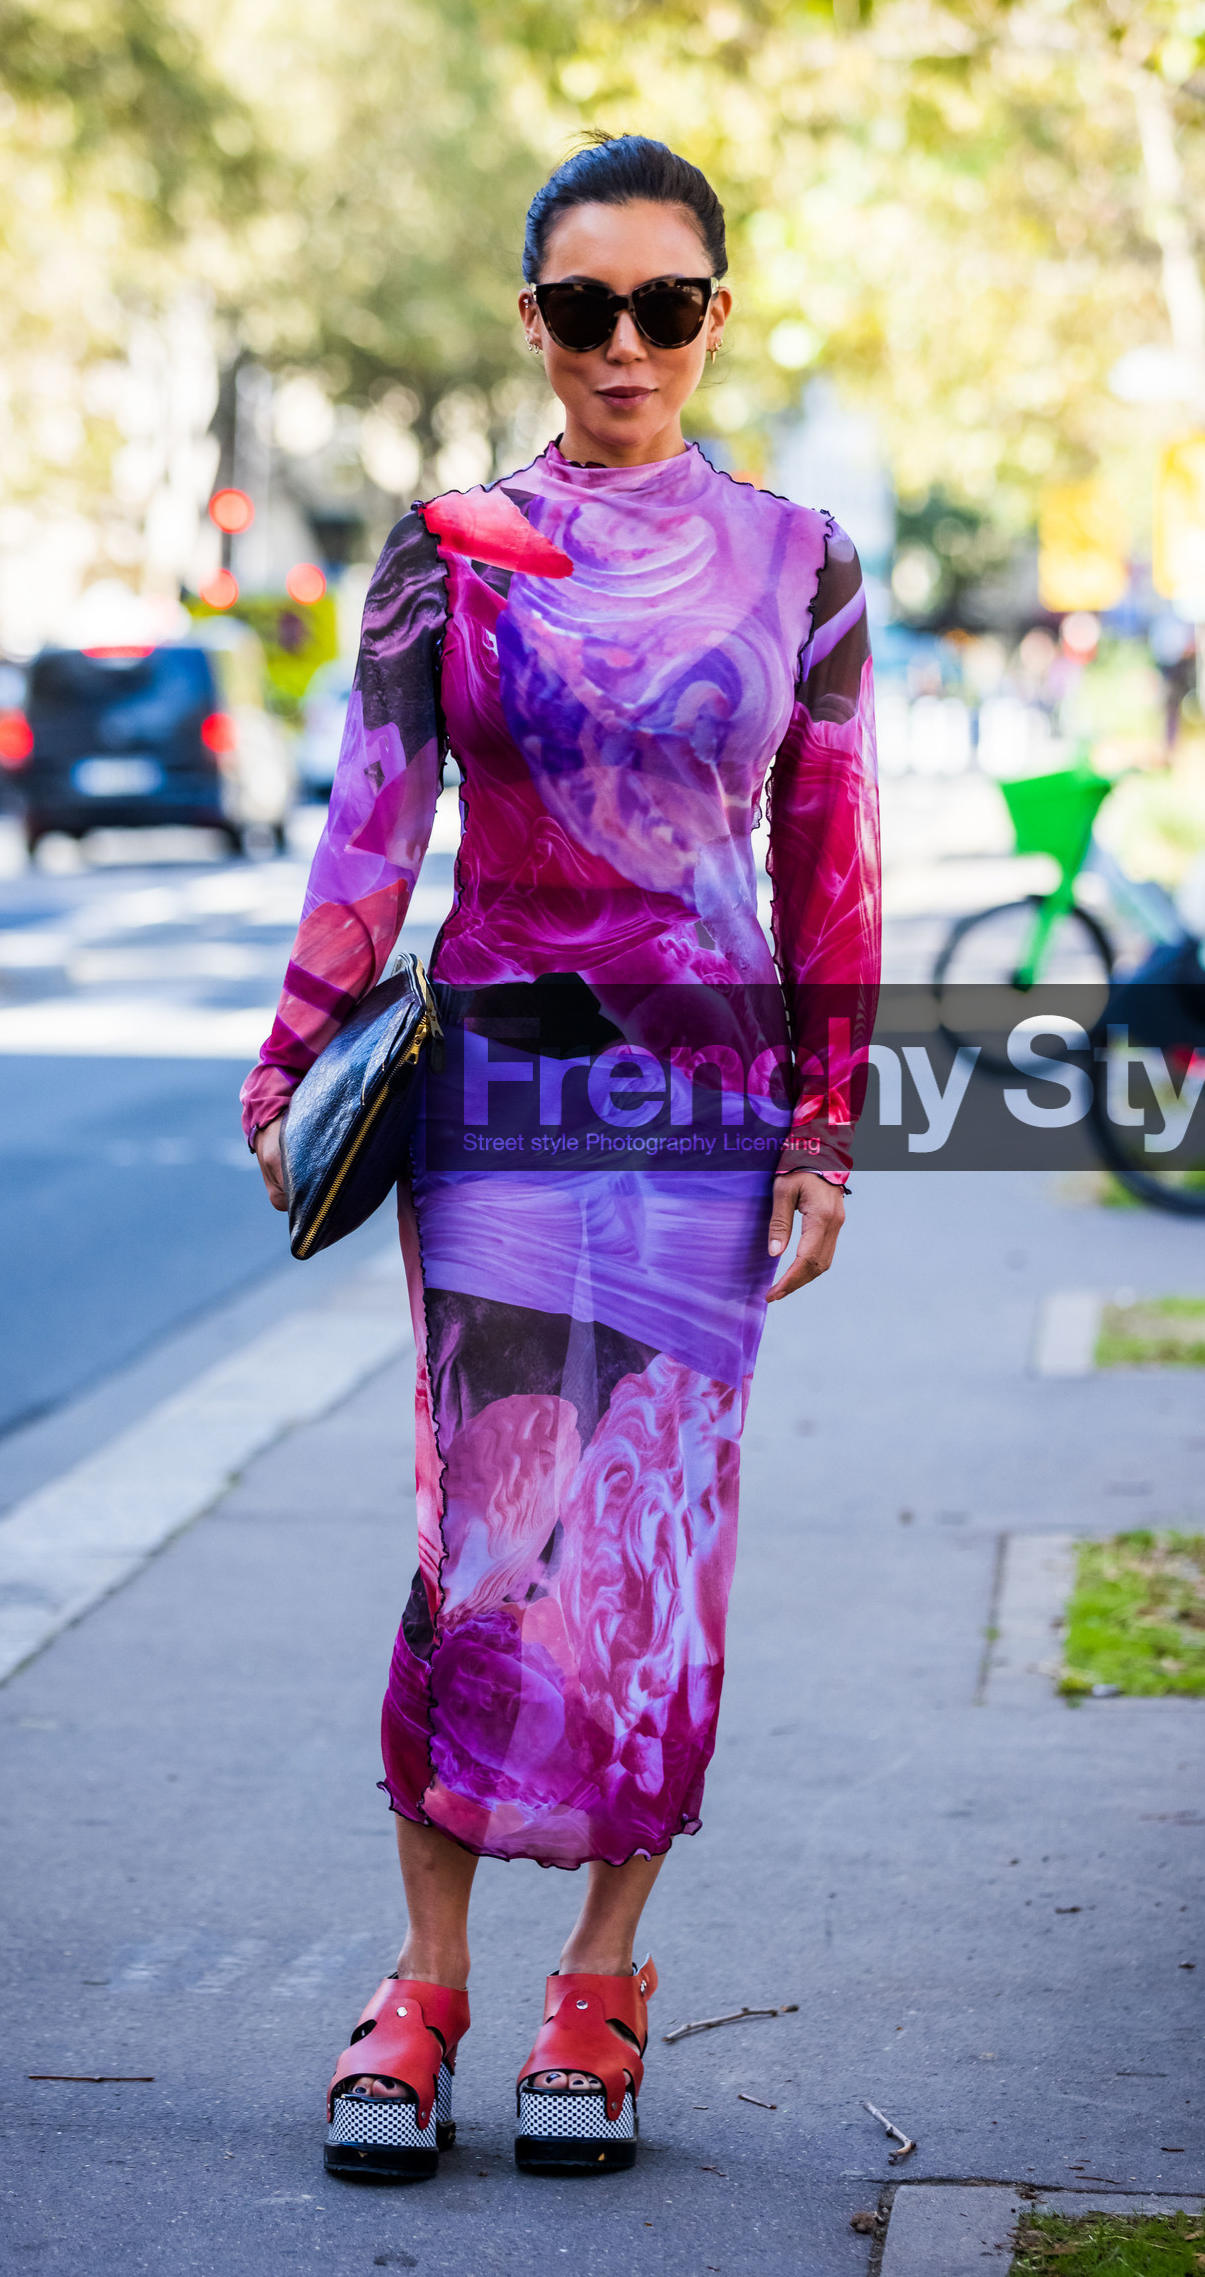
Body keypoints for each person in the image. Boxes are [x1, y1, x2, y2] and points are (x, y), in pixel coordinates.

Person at [240, 134, 881, 2183]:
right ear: (533, 323)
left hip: (699, 1119)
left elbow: (828, 866)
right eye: (585, 308)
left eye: (664, 306)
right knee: (484, 1543)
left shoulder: (802, 565)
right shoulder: (450, 548)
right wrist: (290, 1065)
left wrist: (826, 1126)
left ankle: (599, 1982)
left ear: (712, 316)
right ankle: (419, 1984)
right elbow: (372, 826)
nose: (625, 345)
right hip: (499, 1100)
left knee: (650, 1559)